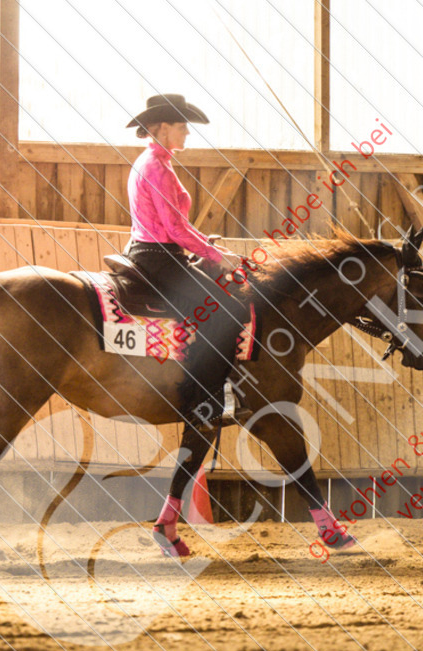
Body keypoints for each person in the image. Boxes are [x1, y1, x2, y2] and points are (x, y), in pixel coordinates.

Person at [124, 94, 250, 556]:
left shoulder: (152, 162)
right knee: (229, 311)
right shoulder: (158, 168)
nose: (187, 133)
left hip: (156, 252)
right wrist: (217, 254)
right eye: (181, 126)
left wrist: (209, 247)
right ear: (161, 128)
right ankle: (206, 392)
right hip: (159, 256)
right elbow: (175, 232)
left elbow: (177, 227)